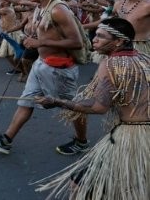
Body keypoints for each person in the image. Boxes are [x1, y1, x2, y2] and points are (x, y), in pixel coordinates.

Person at [34, 18, 150, 200]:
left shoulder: (110, 64)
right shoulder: (144, 58)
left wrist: (58, 101)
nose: (94, 39)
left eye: (101, 36)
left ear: (119, 41)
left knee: (80, 184)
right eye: (95, 35)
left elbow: (98, 107)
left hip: (133, 137)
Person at [0, 0, 84, 155]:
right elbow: (35, 21)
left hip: (60, 68)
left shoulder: (58, 9)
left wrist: (40, 42)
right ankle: (6, 139)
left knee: (72, 106)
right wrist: (33, 38)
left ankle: (82, 141)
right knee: (26, 101)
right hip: (41, 64)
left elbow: (76, 42)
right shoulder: (39, 8)